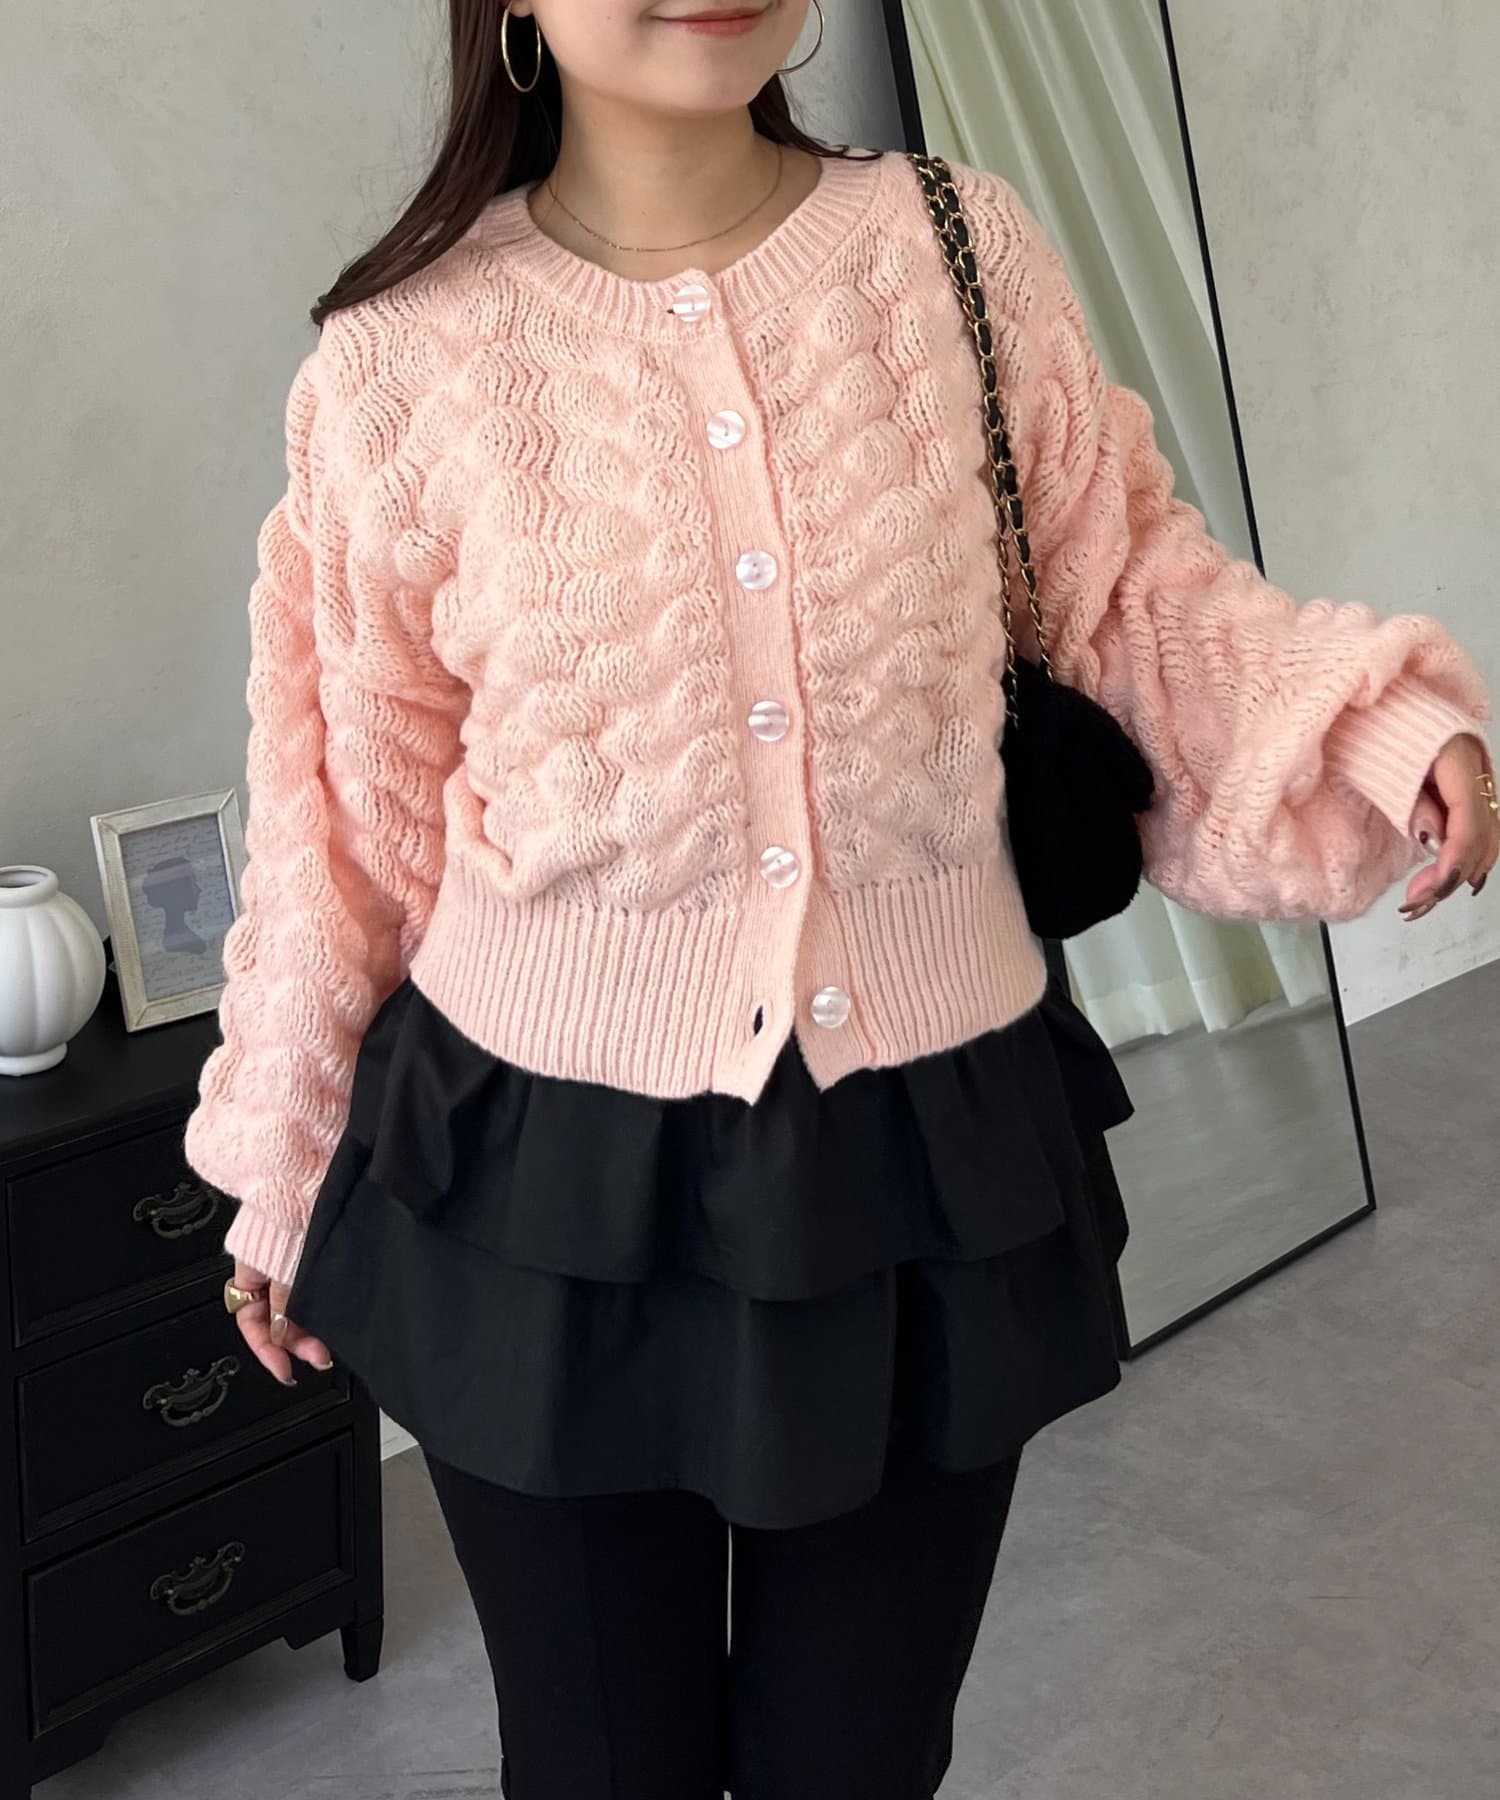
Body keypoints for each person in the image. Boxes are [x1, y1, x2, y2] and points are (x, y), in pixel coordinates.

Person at [184, 3, 1497, 1795]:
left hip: (924, 1157)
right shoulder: (396, 363)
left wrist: (1364, 722)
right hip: (531, 1183)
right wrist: (283, 1166)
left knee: (860, 1761)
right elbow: (349, 813)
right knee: (599, 1765)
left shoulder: (951, 250)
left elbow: (1121, 591)